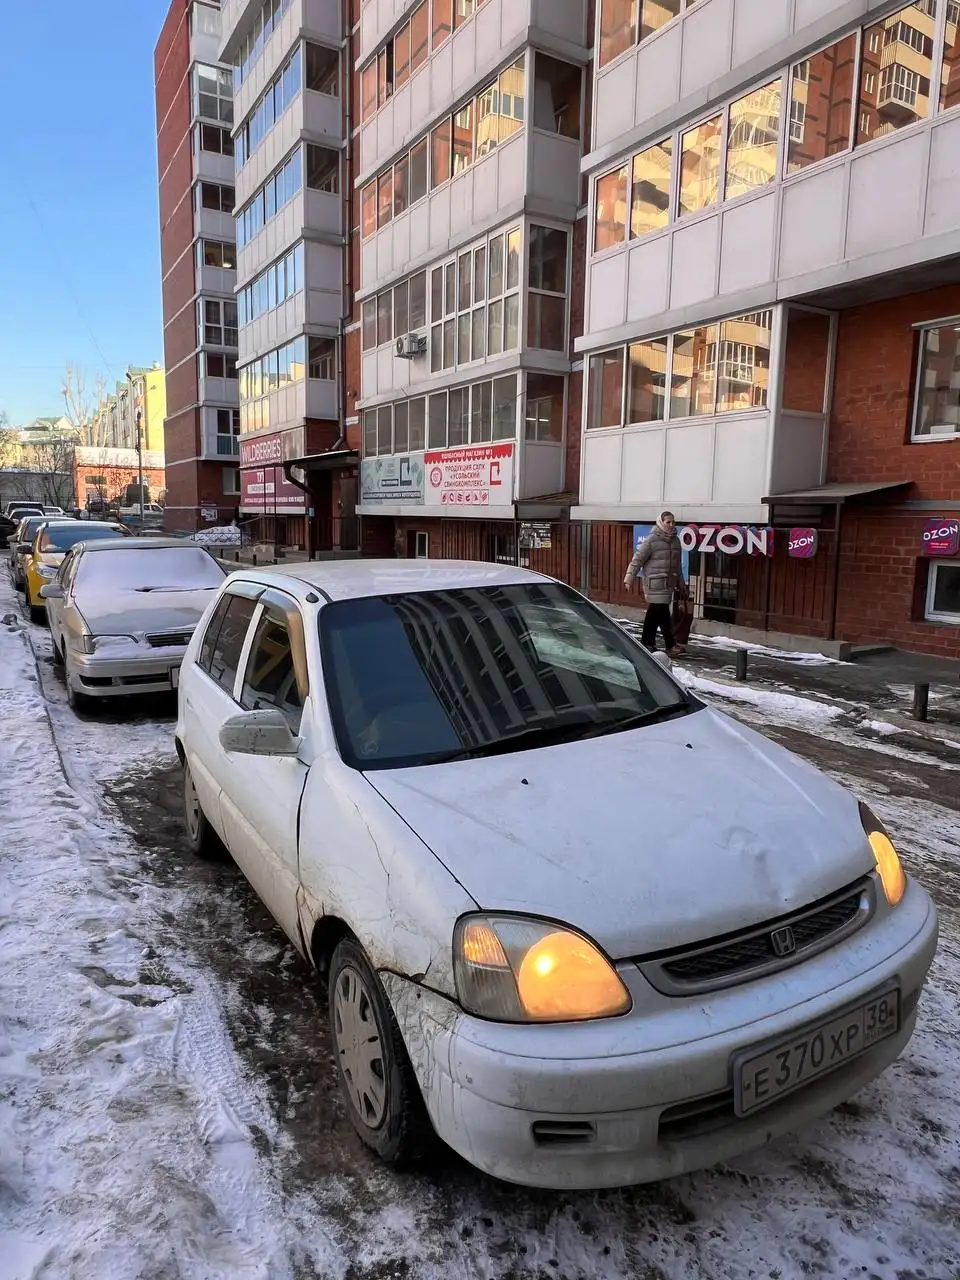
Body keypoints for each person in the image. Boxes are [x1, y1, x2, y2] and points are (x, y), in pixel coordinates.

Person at [624, 511, 686, 656]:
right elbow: (637, 559)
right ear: (660, 522)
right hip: (654, 583)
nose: (671, 525)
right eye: (668, 522)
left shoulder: (675, 541)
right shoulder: (652, 540)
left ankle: (646, 642)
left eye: (673, 522)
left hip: (668, 583)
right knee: (663, 613)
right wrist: (629, 578)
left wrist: (681, 582)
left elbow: (677, 565)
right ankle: (670, 645)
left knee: (653, 613)